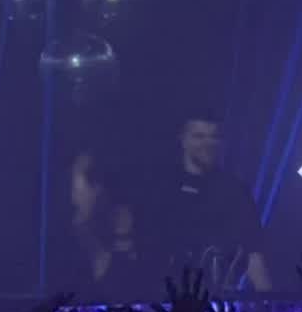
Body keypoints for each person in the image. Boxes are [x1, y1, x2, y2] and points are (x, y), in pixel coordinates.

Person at [163, 112, 271, 292]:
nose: (208, 143)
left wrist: (267, 299)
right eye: (199, 136)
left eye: (214, 137)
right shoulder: (164, 188)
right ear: (183, 140)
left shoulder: (235, 190)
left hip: (221, 297)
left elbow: (253, 252)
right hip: (170, 297)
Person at [69, 149, 143, 298]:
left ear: (98, 189)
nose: (73, 198)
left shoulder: (127, 228)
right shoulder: (75, 237)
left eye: (77, 190)